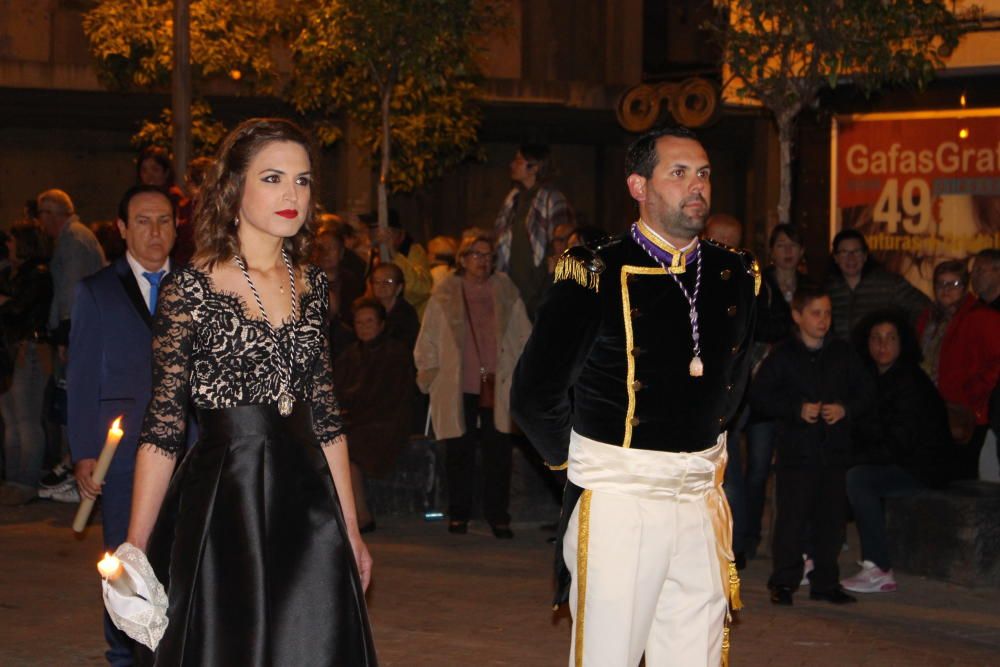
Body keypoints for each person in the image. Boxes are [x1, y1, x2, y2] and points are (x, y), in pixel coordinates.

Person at [125, 118, 377, 665]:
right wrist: (136, 548)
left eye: (303, 181)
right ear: (234, 187)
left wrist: (351, 530)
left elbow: (327, 417)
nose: (292, 194)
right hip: (224, 500)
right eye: (273, 178)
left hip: (307, 503)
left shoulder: (313, 287)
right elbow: (164, 424)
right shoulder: (190, 287)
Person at [512, 126, 757, 666]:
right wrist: (583, 467)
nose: (696, 186)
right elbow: (534, 395)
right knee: (608, 655)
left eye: (704, 173)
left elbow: (734, 381)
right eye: (679, 173)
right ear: (638, 186)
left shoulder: (734, 273)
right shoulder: (594, 271)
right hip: (620, 502)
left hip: (700, 499)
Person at [67, 185, 182, 666]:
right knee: (124, 559)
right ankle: (124, 655)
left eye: (164, 220)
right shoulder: (96, 291)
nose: (155, 232)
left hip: (190, 447)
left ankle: (182, 649)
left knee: (183, 555)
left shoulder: (198, 286)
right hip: (124, 450)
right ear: (121, 229)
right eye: (142, 221)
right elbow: (81, 375)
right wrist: (83, 452)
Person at [751, 286, 874, 606]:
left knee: (831, 521)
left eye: (828, 314)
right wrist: (796, 409)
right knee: (791, 521)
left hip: (833, 453)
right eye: (816, 313)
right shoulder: (783, 355)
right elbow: (760, 397)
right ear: (797, 316)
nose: (823, 320)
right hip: (796, 453)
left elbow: (867, 392)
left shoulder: (842, 353)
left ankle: (825, 582)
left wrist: (845, 409)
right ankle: (784, 581)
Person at [414, 234, 531, 539]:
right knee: (458, 452)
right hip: (458, 383)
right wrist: (427, 372)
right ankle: (459, 514)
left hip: (498, 382)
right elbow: (428, 338)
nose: (483, 261)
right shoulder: (445, 292)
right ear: (462, 258)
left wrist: (526, 375)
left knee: (499, 452)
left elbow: (523, 336)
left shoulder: (505, 290)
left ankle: (498, 516)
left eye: (489, 255)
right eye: (477, 255)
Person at [841, 310, 950, 594]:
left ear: (903, 343)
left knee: (858, 479)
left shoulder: (909, 381)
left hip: (921, 467)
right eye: (876, 338)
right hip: (899, 459)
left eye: (890, 338)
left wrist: (852, 459)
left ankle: (878, 567)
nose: (882, 345)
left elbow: (899, 444)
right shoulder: (871, 378)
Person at [742, 223, 815, 559]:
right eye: (781, 245)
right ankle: (747, 539)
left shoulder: (811, 287)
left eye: (793, 245)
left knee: (794, 469)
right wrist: (792, 323)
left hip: (801, 387)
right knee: (757, 468)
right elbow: (758, 327)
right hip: (766, 386)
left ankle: (790, 541)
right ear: (771, 251)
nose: (787, 252)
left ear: (801, 251)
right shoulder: (760, 285)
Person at [36, 188, 106, 501]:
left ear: (54, 214)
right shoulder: (75, 237)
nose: (41, 222)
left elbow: (72, 290)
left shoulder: (74, 239)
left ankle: (77, 469)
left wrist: (66, 334)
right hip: (80, 328)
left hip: (80, 331)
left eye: (43, 214)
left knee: (73, 403)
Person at [333, 298, 415, 533]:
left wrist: (350, 413)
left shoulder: (395, 353)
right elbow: (337, 389)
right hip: (357, 420)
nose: (364, 327)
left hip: (385, 421)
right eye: (359, 322)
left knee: (348, 451)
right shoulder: (350, 354)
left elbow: (391, 397)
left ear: (381, 324)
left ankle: (361, 515)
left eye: (370, 321)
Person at [916, 259, 1000, 481]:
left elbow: (996, 361)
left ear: (965, 287)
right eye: (941, 284)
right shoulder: (928, 317)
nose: (946, 291)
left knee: (962, 478)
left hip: (964, 411)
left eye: (953, 284)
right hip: (931, 407)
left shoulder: (982, 317)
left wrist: (974, 393)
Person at [0, 221, 53, 506]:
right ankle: (13, 478)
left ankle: (26, 481)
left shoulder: (39, 275)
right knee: (10, 419)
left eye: (11, 240)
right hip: (9, 349)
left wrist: (6, 301)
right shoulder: (13, 273)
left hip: (29, 349)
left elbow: (19, 309)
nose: (7, 245)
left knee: (26, 419)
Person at [494, 143, 573, 319]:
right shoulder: (513, 200)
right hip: (513, 283)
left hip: (539, 284)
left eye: (519, 160)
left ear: (534, 167)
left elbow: (562, 242)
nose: (512, 164)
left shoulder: (551, 198)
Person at [825, 229, 929, 341]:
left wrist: (904, 339)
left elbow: (925, 309)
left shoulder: (890, 284)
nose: (851, 258)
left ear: (865, 256)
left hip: (881, 356)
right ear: (836, 258)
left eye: (857, 252)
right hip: (841, 357)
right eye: (844, 252)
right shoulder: (827, 290)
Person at [365, 209, 433, 318]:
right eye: (371, 232)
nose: (374, 237)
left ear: (395, 233)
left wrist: (394, 255)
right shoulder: (374, 255)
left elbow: (421, 290)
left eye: (377, 232)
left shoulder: (414, 252)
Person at [368, 262, 420, 352]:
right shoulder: (368, 309)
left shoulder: (407, 314)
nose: (381, 286)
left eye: (388, 282)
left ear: (399, 287)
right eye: (377, 282)